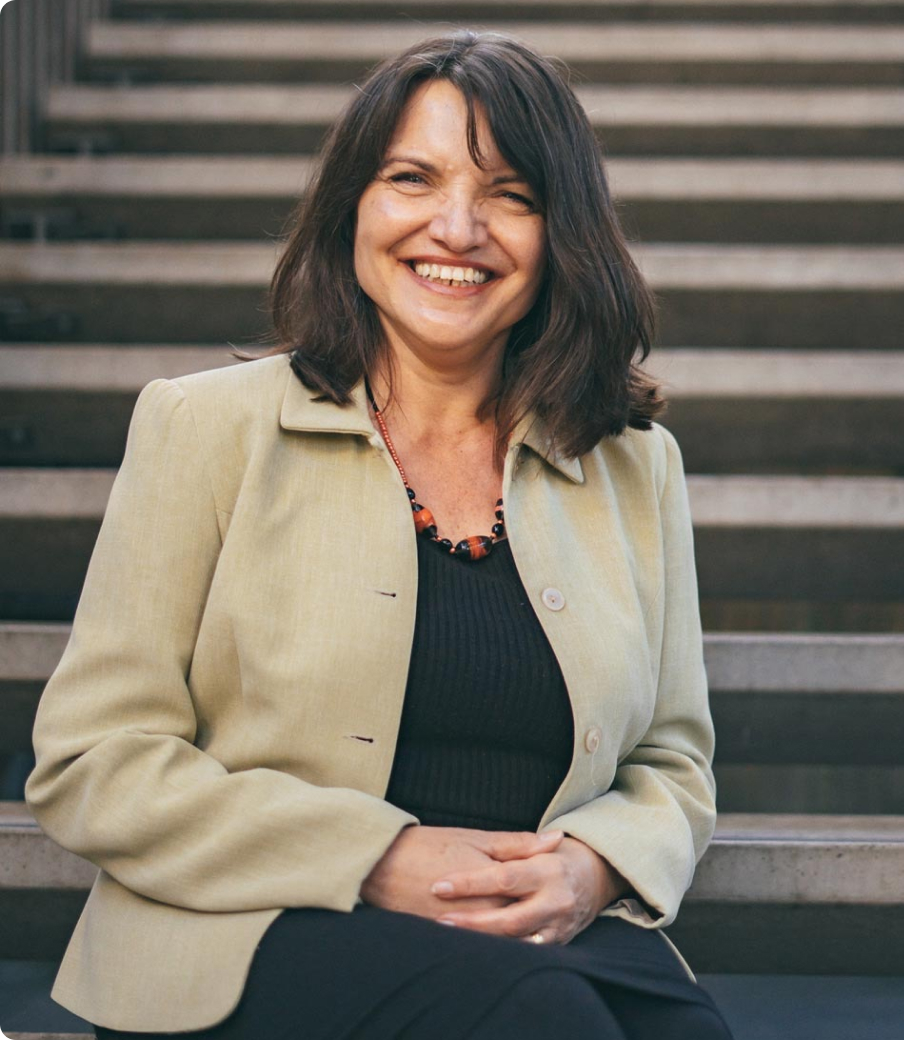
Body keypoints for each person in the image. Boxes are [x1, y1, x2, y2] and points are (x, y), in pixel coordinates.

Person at [26, 31, 734, 1040]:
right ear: (352, 208)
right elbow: (93, 758)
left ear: (560, 235)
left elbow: (672, 757)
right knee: (542, 1019)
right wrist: (379, 853)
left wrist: (594, 863)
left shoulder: (630, 463)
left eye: (511, 195)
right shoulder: (207, 427)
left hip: (532, 936)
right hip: (254, 931)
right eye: (413, 178)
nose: (458, 227)